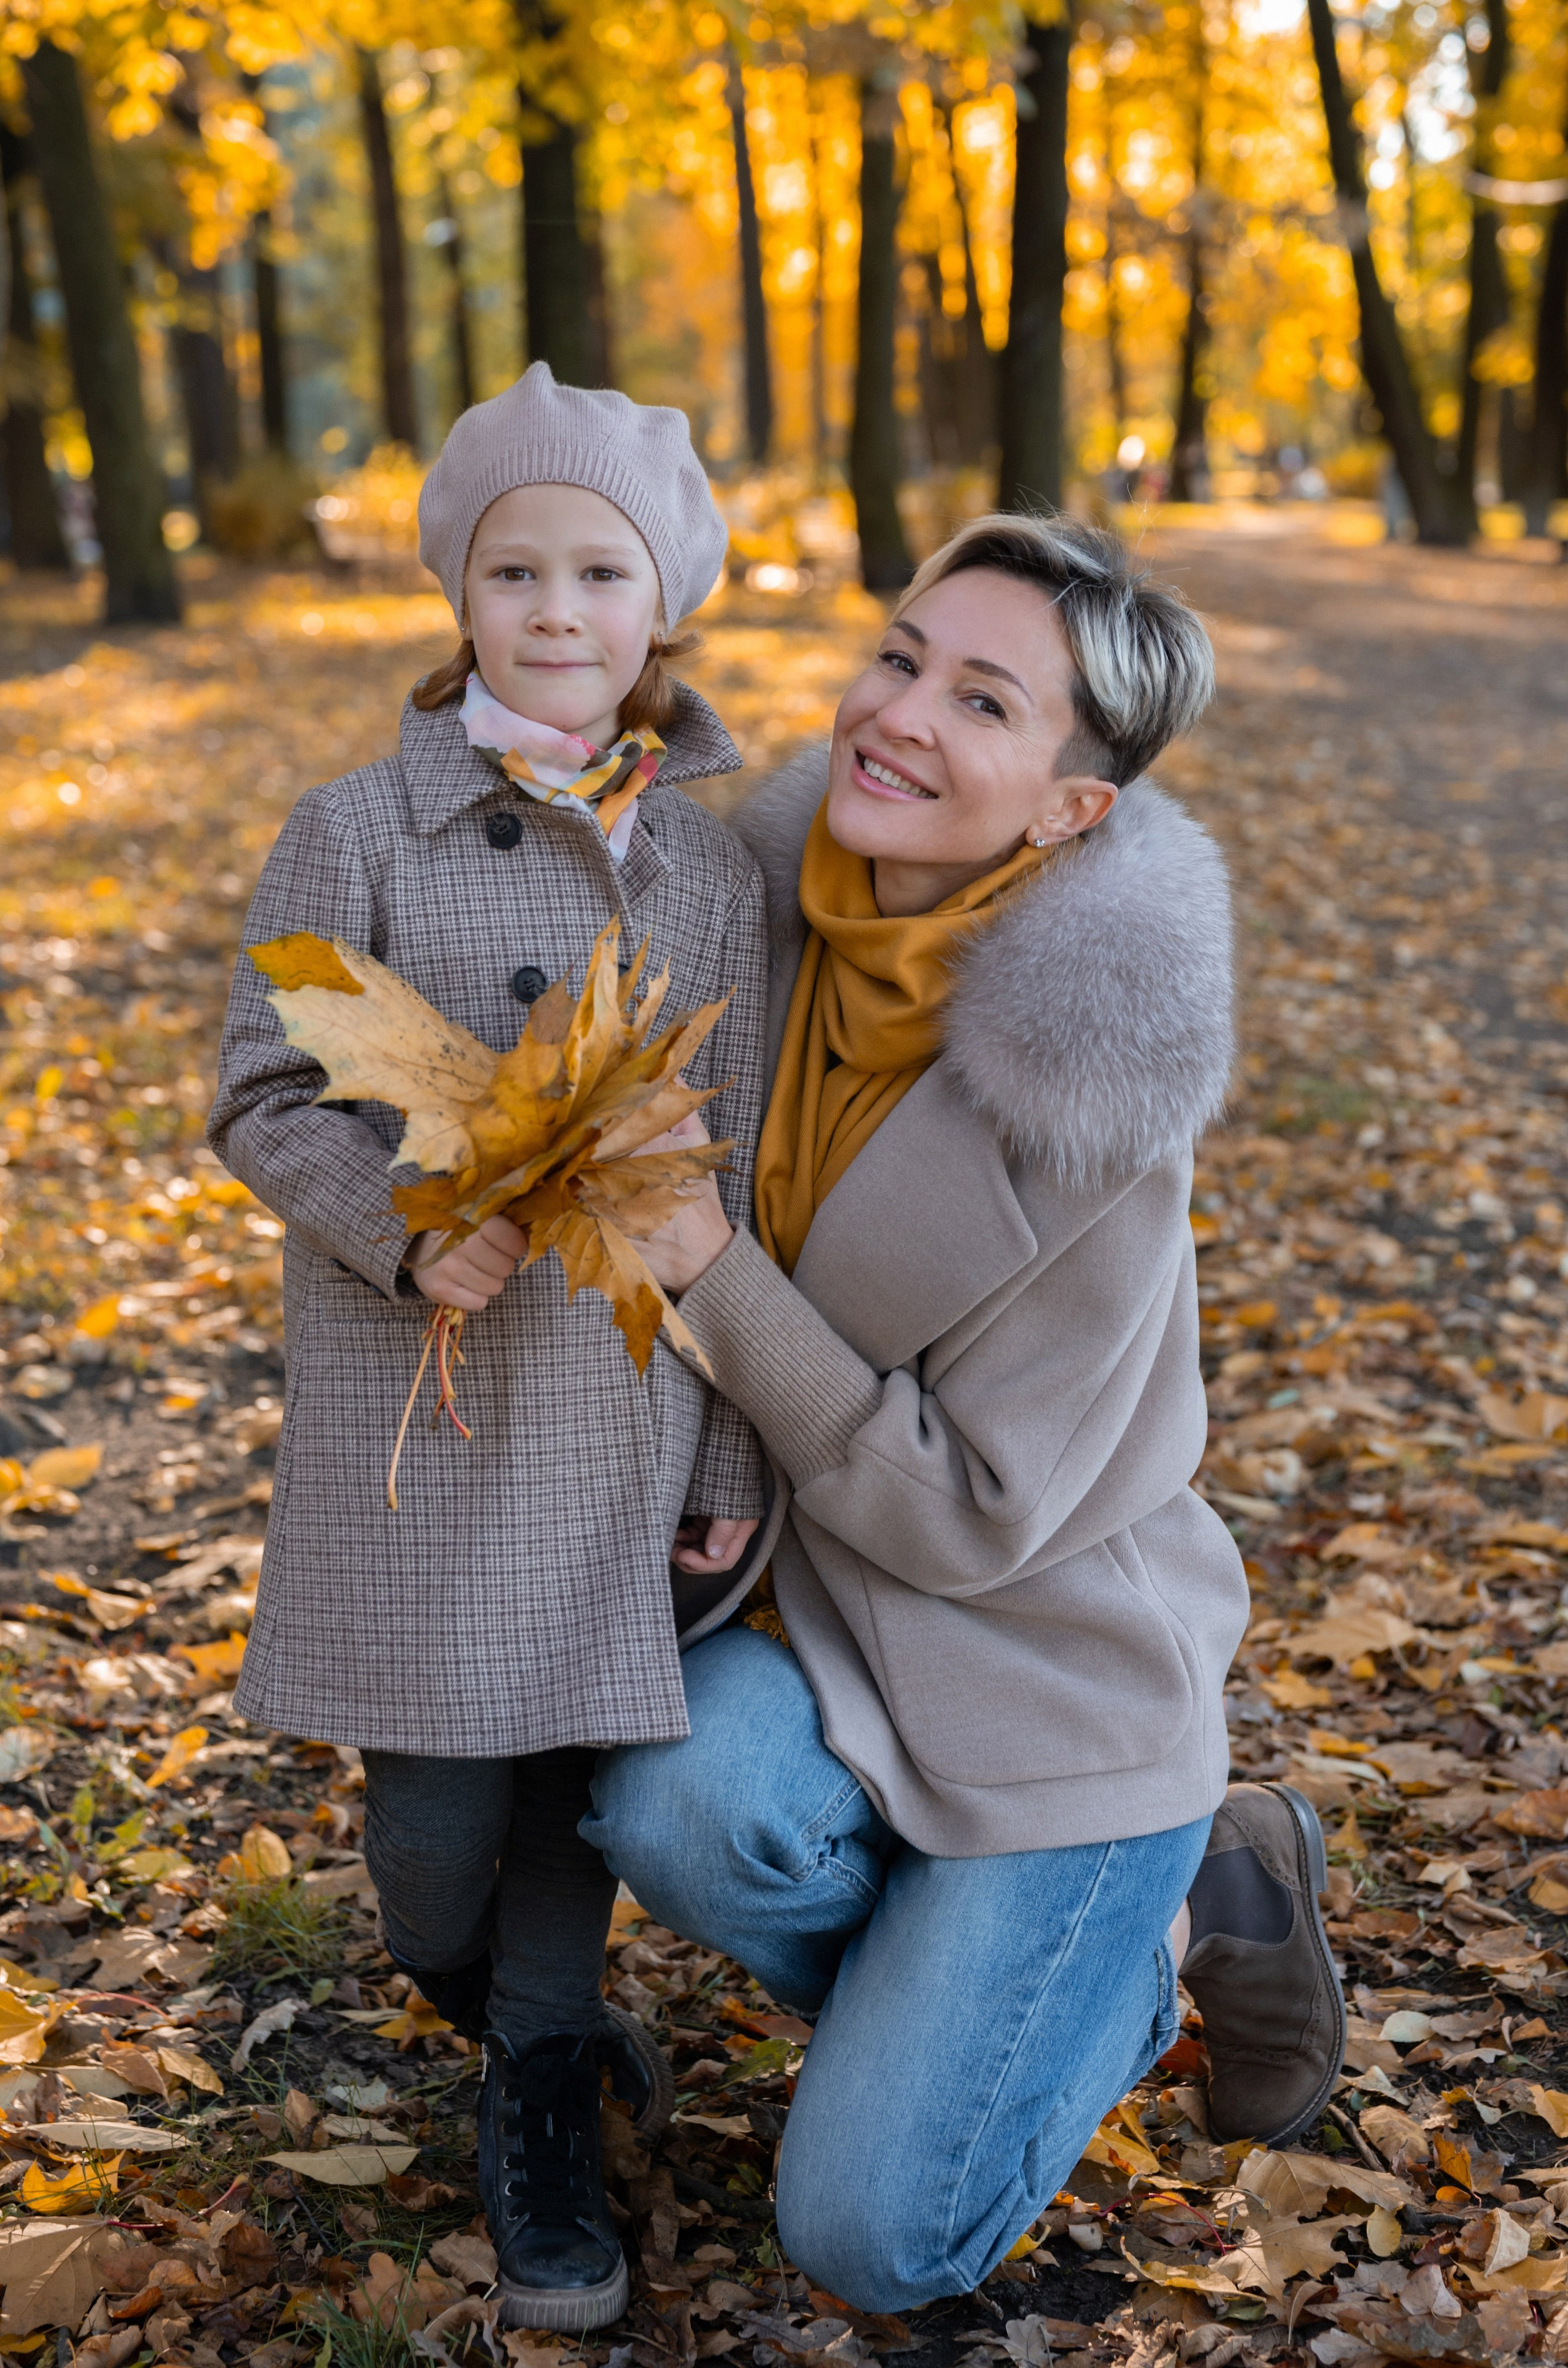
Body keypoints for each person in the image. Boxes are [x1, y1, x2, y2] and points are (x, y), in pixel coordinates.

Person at [586, 513, 1347, 2313]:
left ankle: (1185, 1912)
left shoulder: (1096, 1100)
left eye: (984, 701)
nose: (901, 715)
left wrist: (708, 1265)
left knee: (874, 2237)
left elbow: (969, 1512)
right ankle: (977, 1997)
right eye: (901, 657)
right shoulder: (751, 917)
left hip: (1042, 1667)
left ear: (1073, 807)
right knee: (674, 1796)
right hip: (822, 1623)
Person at [208, 365, 778, 2332]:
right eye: (514, 569)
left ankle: (540, 2074)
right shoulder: (357, 827)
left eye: (601, 572)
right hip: (425, 1415)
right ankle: (478, 1988)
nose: (556, 610)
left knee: (568, 1785)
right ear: (458, 590)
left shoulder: (712, 866)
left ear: (662, 603)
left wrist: (732, 1455)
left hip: (624, 1411)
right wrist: (399, 1224)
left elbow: (738, 1170)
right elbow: (261, 1087)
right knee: (435, 1835)